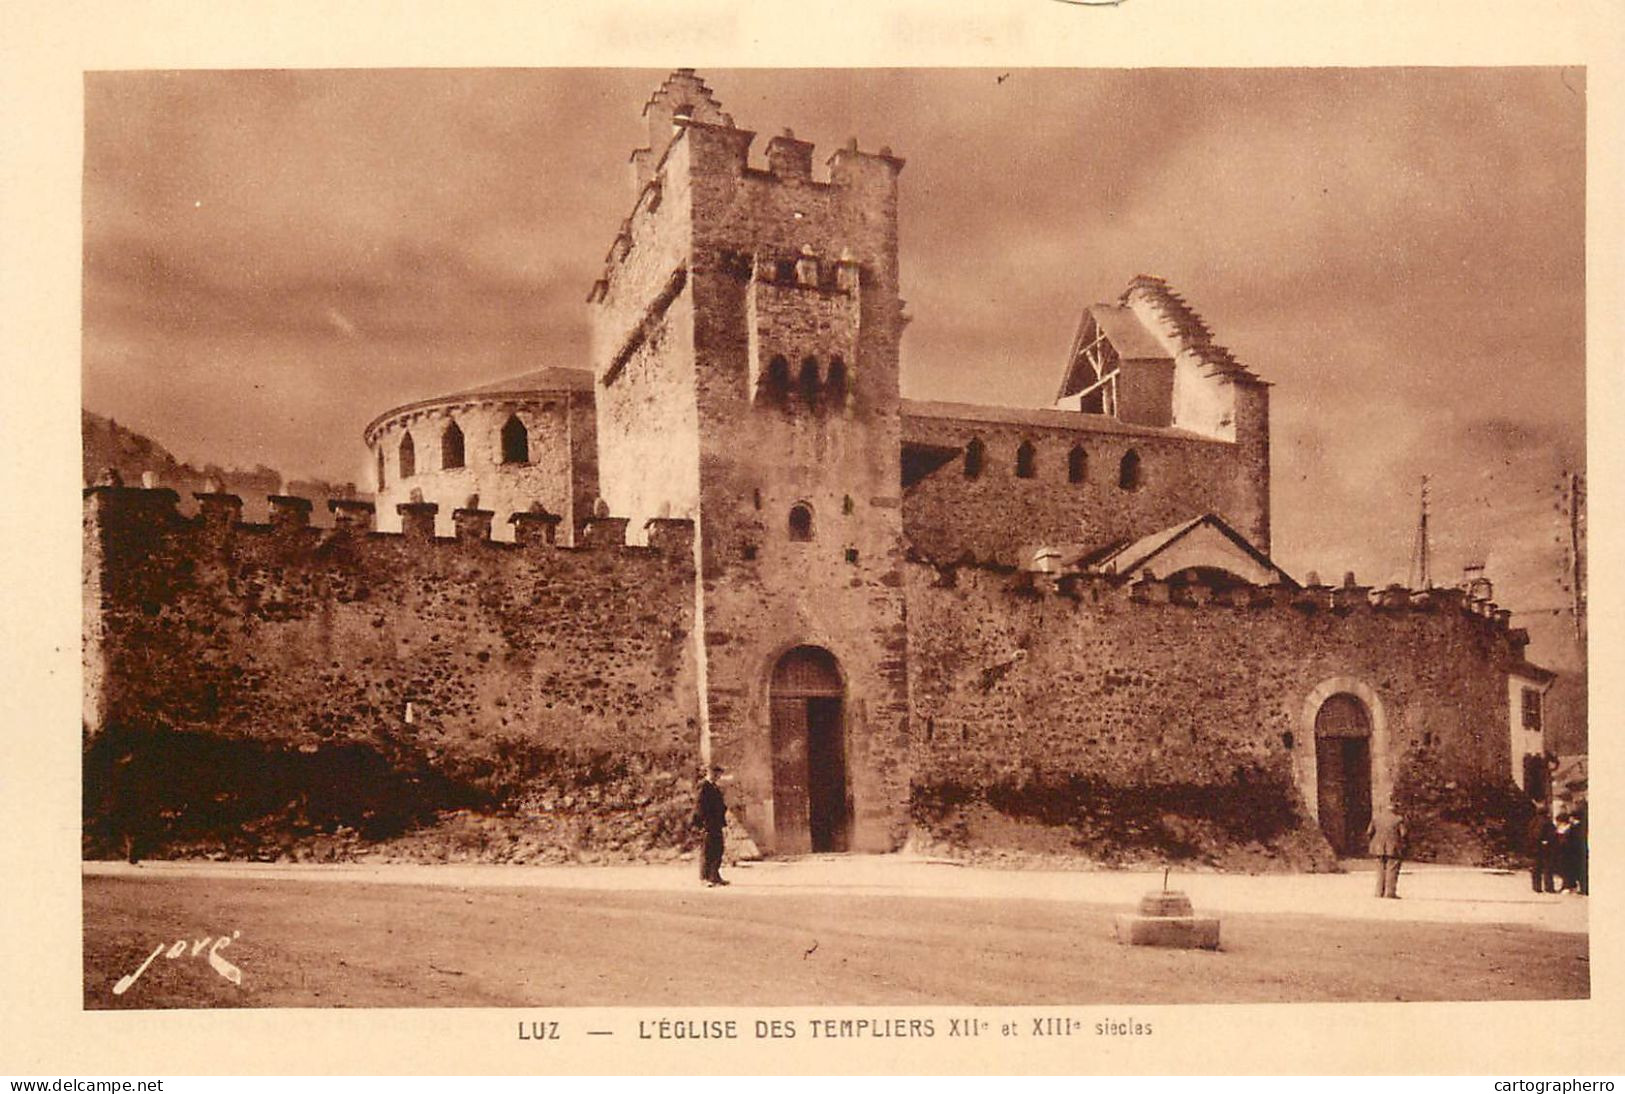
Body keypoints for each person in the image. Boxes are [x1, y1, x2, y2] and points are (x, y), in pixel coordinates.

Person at [692, 764, 729, 887]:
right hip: (707, 823)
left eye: (718, 774)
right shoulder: (703, 786)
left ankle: (715, 875)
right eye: (715, 773)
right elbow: (699, 806)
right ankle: (704, 877)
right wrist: (702, 823)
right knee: (707, 850)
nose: (717, 776)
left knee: (718, 849)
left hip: (716, 823)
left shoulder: (715, 787)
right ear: (708, 773)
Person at [1366, 807, 1406, 899]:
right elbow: (1403, 833)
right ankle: (1389, 892)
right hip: (1393, 847)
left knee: (1380, 870)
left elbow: (1369, 832)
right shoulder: (1398, 819)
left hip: (1378, 847)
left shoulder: (1376, 818)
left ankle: (1379, 892)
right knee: (1392, 869)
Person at [1526, 802, 1557, 894]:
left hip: (1534, 848)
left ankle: (1536, 887)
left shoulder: (1532, 822)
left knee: (1536, 868)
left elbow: (1530, 835)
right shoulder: (1547, 822)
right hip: (1545, 848)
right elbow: (1551, 835)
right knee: (1547, 868)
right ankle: (1549, 887)